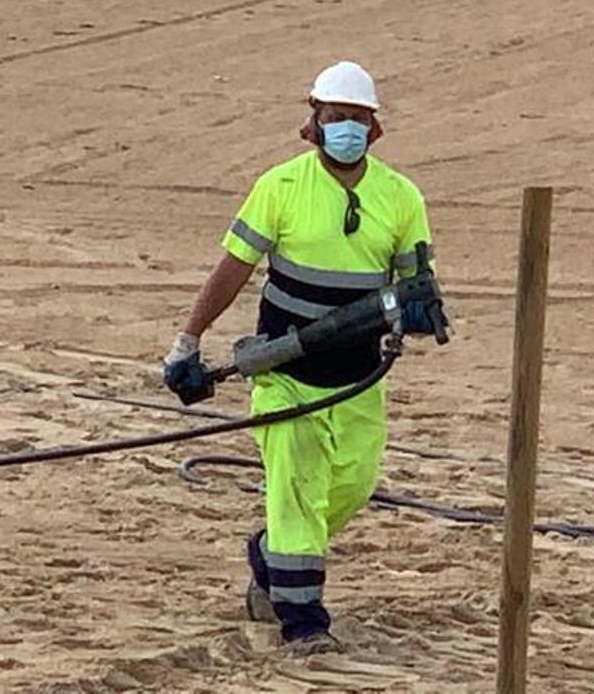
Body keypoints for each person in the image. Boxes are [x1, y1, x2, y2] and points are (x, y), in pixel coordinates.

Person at [162, 61, 434, 654]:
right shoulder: (280, 188)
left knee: (351, 487)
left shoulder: (401, 197)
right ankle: (303, 620)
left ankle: (269, 559)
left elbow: (415, 279)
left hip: (358, 379)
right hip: (285, 374)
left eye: (357, 120)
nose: (347, 129)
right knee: (296, 488)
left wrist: (419, 307)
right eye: (336, 118)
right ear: (313, 123)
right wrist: (189, 339)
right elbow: (234, 268)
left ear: (375, 128)